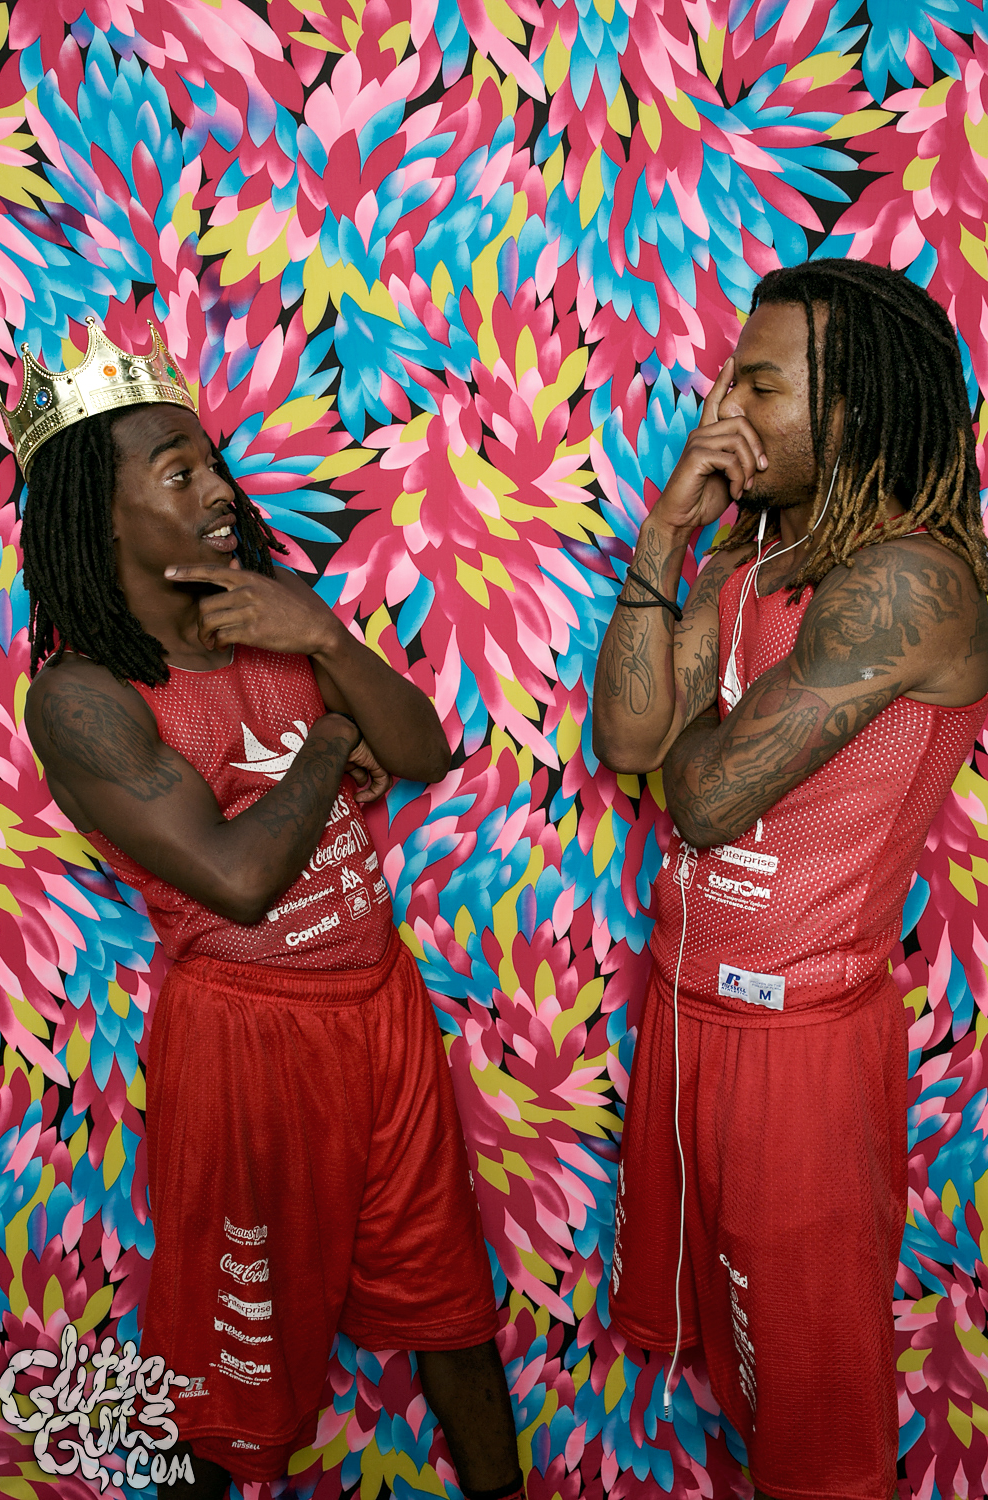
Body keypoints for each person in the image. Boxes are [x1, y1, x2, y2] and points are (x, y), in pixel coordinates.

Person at [2, 319, 524, 1500]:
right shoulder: (83, 698)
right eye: (176, 473)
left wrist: (323, 636)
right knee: (229, 1369)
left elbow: (423, 749)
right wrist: (329, 740)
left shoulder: (271, 609)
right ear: (101, 514)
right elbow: (238, 878)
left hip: (381, 1008)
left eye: (211, 463)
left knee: (451, 1307)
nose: (217, 491)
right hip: (250, 1040)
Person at [592, 259, 988, 1500]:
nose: (723, 411)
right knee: (738, 1373)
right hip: (683, 1016)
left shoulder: (908, 580)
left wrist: (692, 731)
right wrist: (667, 536)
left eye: (757, 386)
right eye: (727, 380)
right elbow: (626, 737)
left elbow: (702, 797)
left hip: (795, 1048)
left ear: (853, 405)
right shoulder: (754, 558)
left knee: (812, 1426)